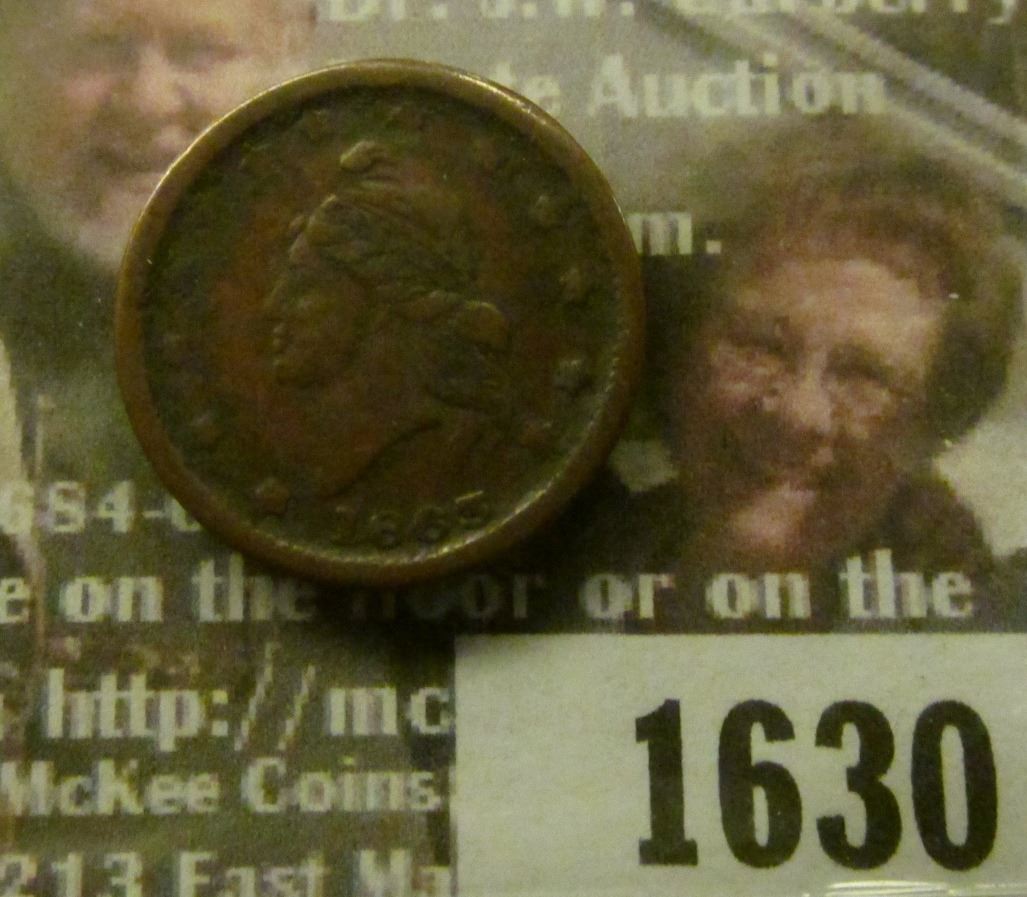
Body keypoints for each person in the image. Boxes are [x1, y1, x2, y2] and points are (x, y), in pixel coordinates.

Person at [261, 140, 513, 501]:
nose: (272, 306)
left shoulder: (448, 456)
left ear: (384, 304)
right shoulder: (335, 451)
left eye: (304, 285)